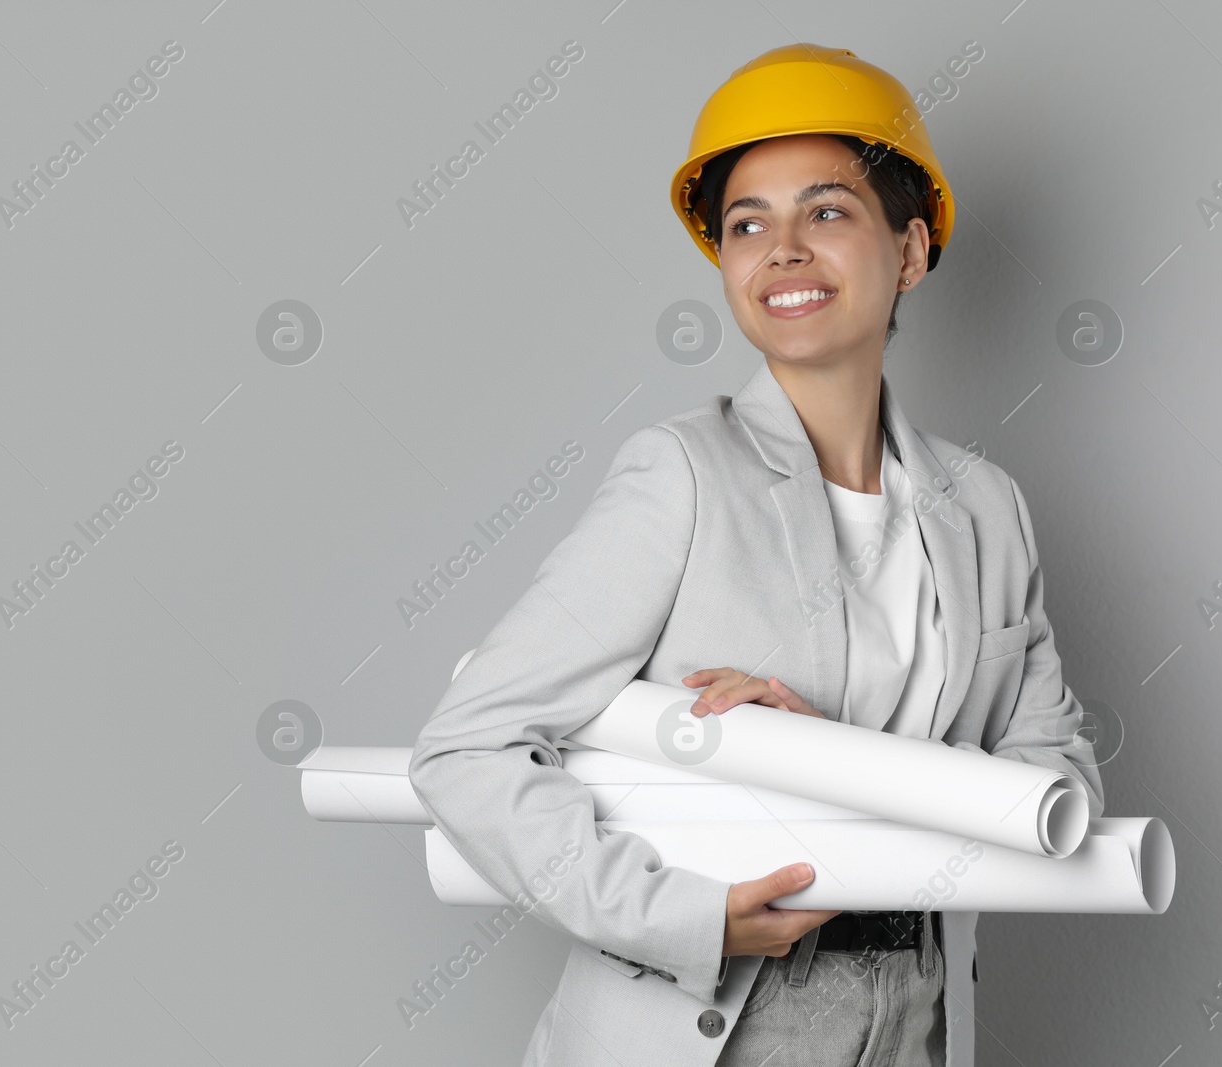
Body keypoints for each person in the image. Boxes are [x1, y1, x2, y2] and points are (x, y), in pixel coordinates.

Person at [409, 44, 1104, 1067]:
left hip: (916, 1011)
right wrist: (680, 916)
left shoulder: (986, 508)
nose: (781, 248)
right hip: (720, 1015)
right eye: (747, 224)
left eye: (825, 212)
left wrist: (837, 757)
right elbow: (466, 747)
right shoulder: (682, 474)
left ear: (909, 252)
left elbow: (1058, 782)